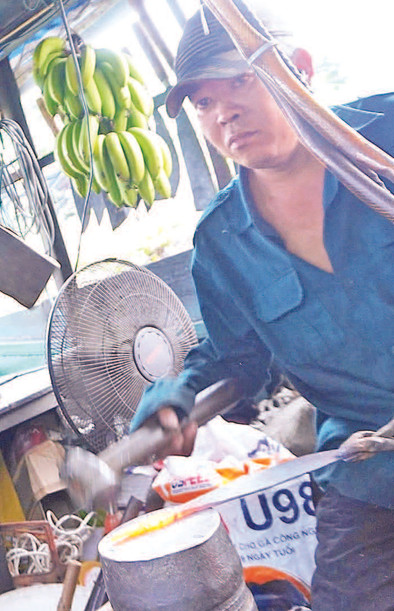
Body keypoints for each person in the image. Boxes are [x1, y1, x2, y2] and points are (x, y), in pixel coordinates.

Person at [129, 3, 394, 609]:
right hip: (371, 466)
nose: (225, 113)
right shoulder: (222, 241)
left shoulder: (385, 134)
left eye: (241, 81)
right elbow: (235, 358)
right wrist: (178, 396)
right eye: (202, 102)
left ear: (297, 68)